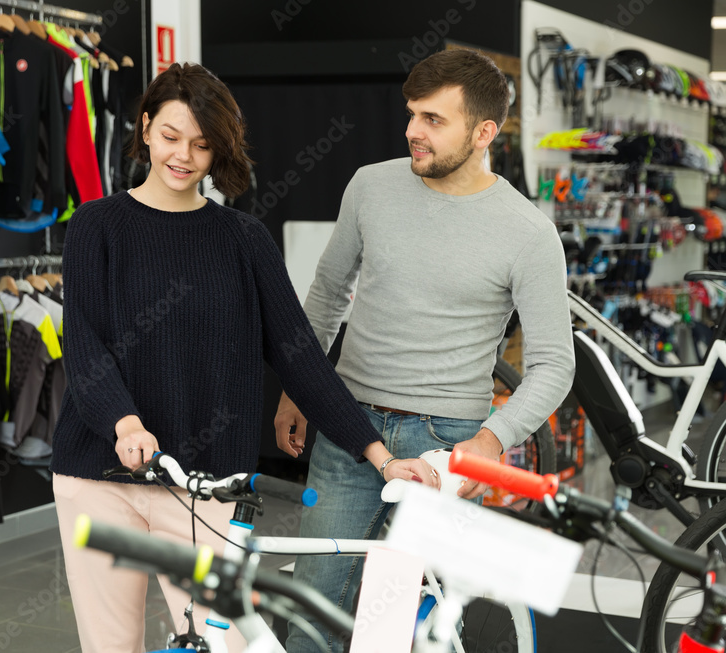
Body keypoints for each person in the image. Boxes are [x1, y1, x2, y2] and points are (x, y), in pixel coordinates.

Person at [50, 62, 440, 653]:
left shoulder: (242, 239)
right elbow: (84, 346)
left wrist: (379, 454)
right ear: (147, 127)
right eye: (172, 137)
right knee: (110, 646)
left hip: (205, 486)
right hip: (98, 476)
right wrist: (125, 423)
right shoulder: (95, 227)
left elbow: (301, 358)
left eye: (203, 146)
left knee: (228, 642)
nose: (184, 156)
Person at [278, 49, 576, 652]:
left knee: (401, 625)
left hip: (446, 442)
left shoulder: (528, 232)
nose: (413, 130)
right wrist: (298, 387)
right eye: (413, 114)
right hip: (348, 424)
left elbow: (554, 364)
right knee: (312, 613)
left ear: (484, 132)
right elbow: (328, 294)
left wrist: (490, 441)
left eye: (434, 120)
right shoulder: (371, 186)